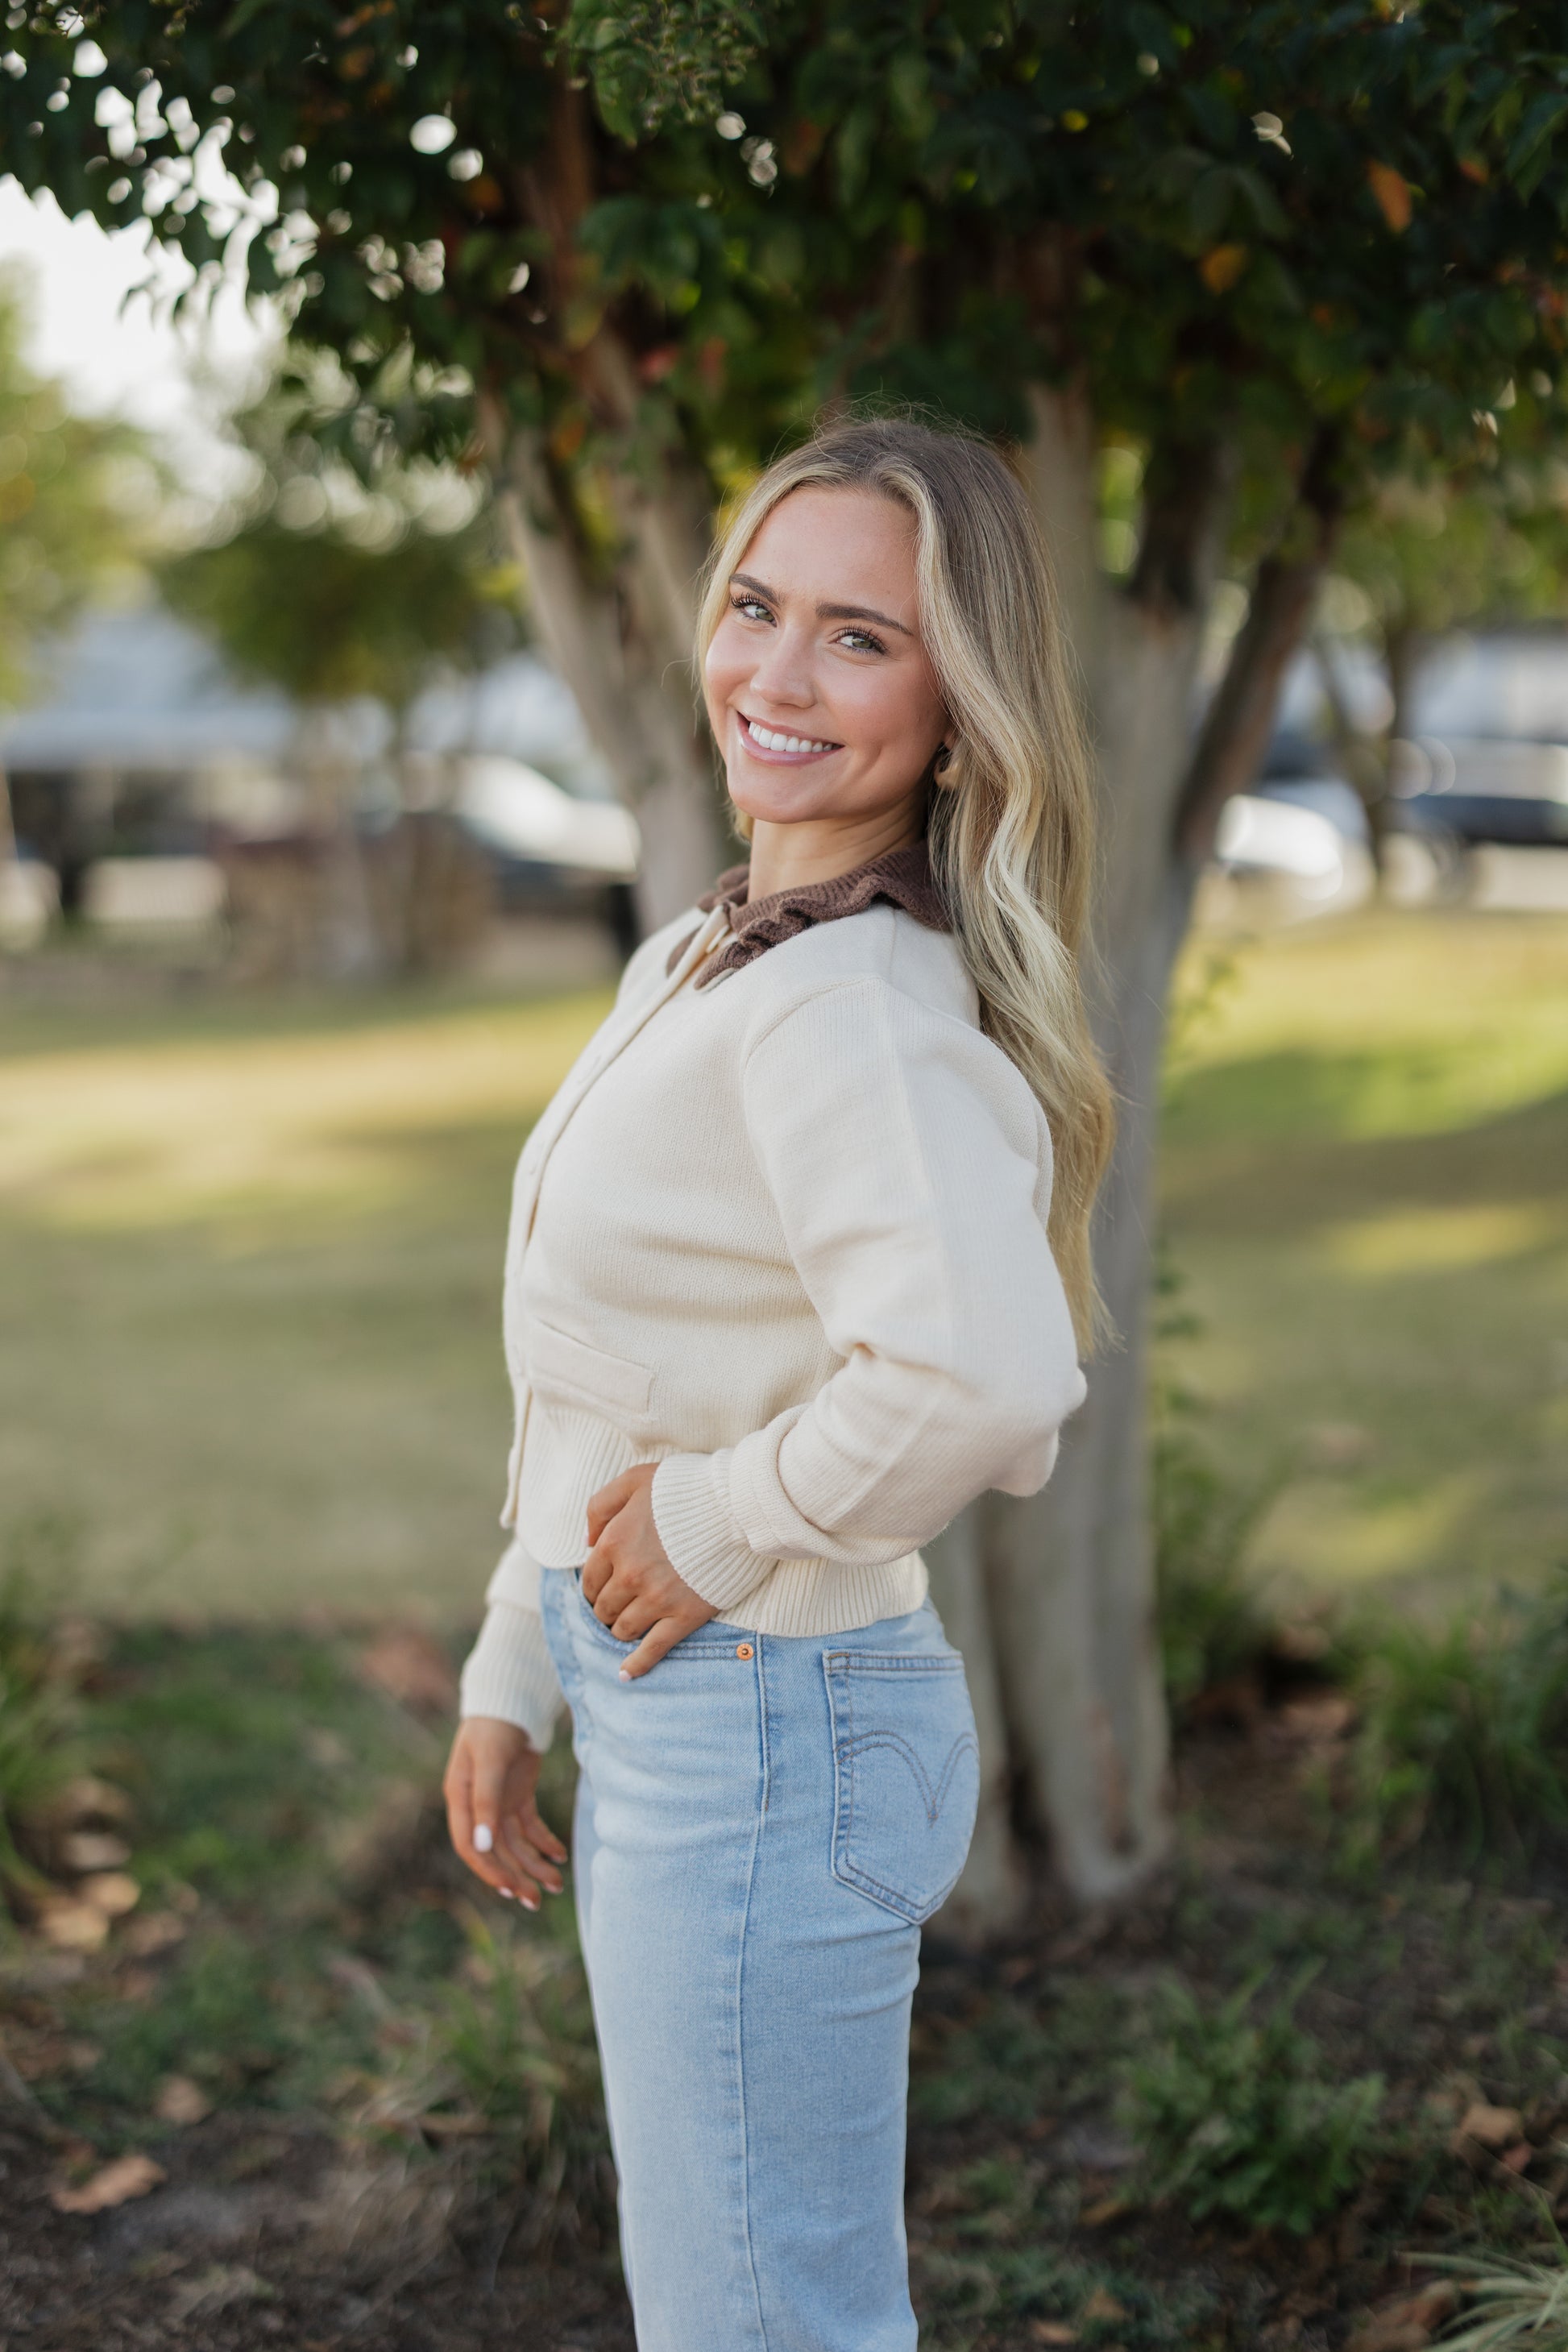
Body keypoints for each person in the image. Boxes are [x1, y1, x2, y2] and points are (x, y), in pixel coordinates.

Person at [442, 413, 1114, 2352]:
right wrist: (518, 1658)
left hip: (764, 1717)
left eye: (860, 637)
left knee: (762, 2320)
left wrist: (727, 1521)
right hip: (691, 1701)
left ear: (959, 705)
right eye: (758, 607)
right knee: (734, 2297)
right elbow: (615, 1375)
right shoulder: (711, 951)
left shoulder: (851, 1008)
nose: (776, 673)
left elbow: (989, 1380)